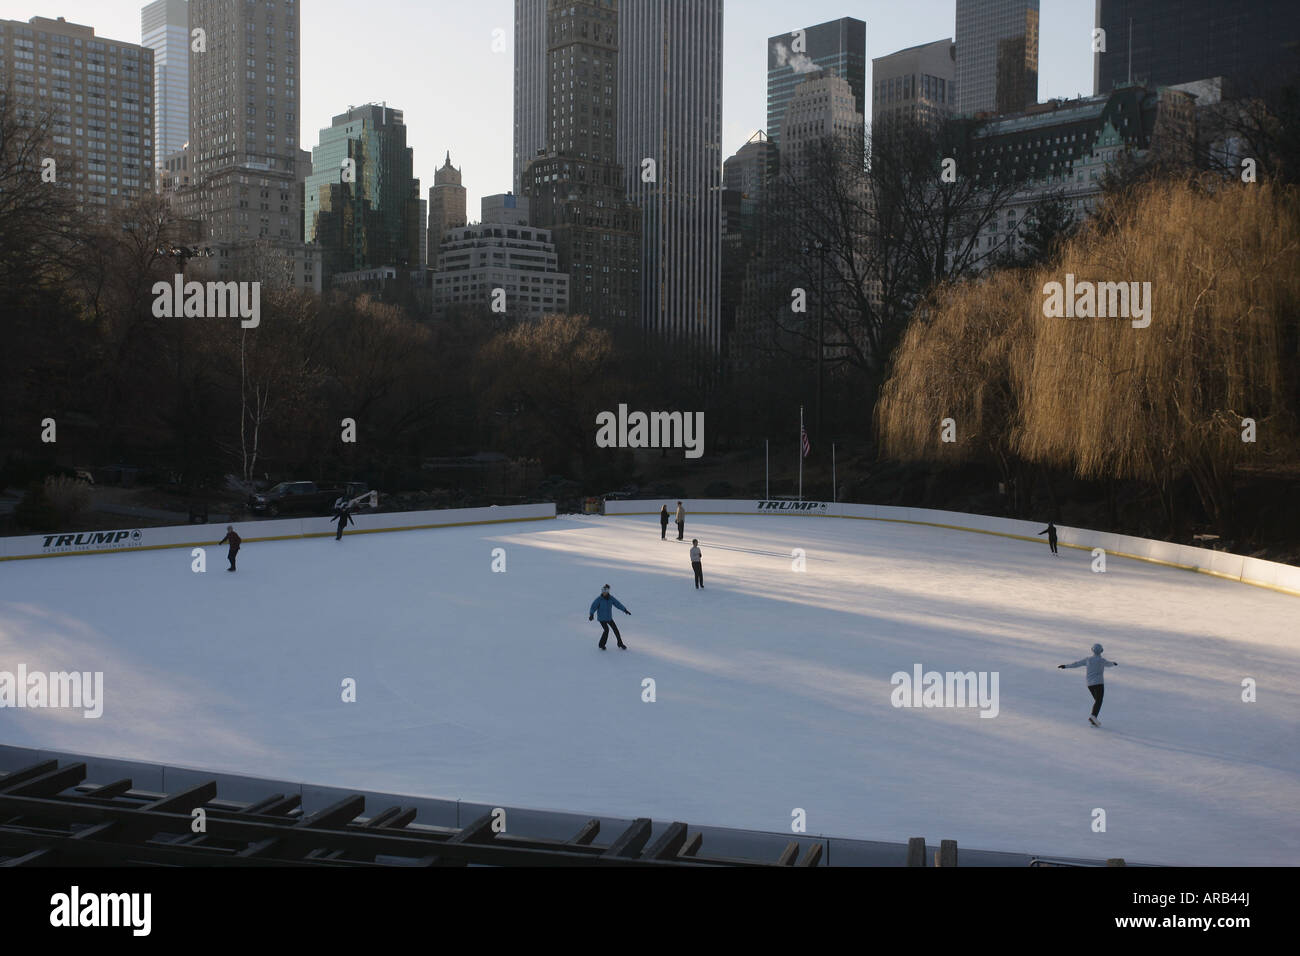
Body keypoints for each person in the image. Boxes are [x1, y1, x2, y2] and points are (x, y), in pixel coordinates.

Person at [1059, 643, 1118, 725]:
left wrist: (1065, 666)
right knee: (1099, 701)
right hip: (1099, 683)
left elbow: (1076, 664)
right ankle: (1093, 717)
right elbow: (1109, 664)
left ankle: (1094, 718)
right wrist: (1113, 663)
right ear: (1101, 651)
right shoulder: (1102, 661)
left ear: (1092, 650)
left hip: (1090, 684)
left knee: (1097, 701)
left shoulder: (1088, 659)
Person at [588, 583, 630, 650]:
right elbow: (593, 607)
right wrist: (591, 614)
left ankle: (620, 643)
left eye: (606, 591)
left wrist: (624, 610)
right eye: (603, 591)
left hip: (609, 618)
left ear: (608, 592)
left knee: (615, 630)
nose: (604, 593)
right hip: (602, 619)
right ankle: (601, 645)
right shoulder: (599, 599)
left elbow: (617, 604)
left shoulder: (611, 598)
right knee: (606, 630)